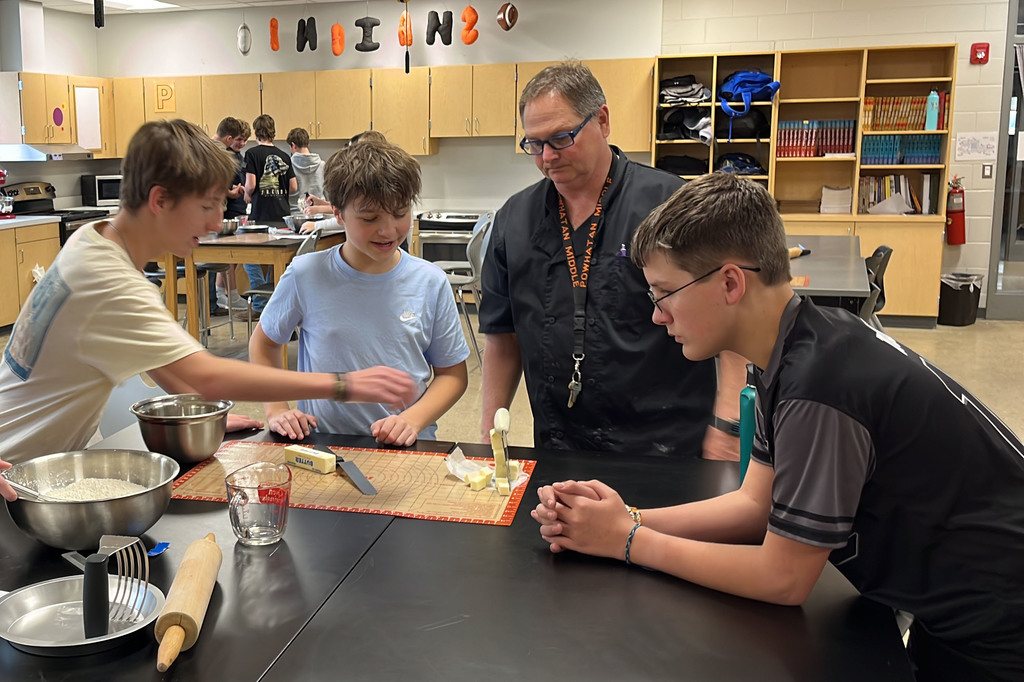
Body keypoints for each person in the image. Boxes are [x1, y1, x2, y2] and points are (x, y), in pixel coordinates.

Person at [532, 172, 1024, 682]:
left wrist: (628, 540)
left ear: (729, 283)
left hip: (998, 622)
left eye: (662, 293)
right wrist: (628, 516)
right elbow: (754, 504)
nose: (657, 316)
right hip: (954, 605)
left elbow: (784, 578)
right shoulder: (792, 347)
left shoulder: (821, 385)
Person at [0, 119, 417, 480]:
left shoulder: (95, 238)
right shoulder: (111, 280)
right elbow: (209, 374)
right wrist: (343, 384)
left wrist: (202, 415)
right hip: (12, 464)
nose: (218, 221)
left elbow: (160, 359)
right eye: (207, 206)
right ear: (160, 200)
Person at [479, 59, 744, 459]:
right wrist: (487, 434)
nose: (547, 157)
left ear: (602, 120)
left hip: (666, 447)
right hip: (558, 444)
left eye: (562, 138)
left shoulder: (671, 205)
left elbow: (732, 322)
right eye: (534, 144)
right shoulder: (514, 221)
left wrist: (728, 427)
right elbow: (503, 338)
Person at [248, 131, 470, 446]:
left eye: (400, 213)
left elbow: (452, 375)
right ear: (337, 213)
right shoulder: (306, 274)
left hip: (409, 444)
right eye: (369, 218)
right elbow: (263, 345)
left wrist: (411, 421)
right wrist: (276, 408)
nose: (388, 230)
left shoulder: (429, 282)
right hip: (325, 442)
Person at [242, 114, 297, 317]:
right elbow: (293, 186)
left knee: (249, 256)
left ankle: (259, 303)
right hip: (282, 217)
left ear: (256, 132)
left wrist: (248, 195)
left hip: (261, 216)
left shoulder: (252, 154)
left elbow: (251, 184)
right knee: (276, 261)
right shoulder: (284, 155)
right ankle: (271, 302)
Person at [211, 116, 249, 313]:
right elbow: (213, 183)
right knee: (226, 255)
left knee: (224, 256)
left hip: (219, 208)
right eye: (238, 139)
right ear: (228, 137)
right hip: (217, 210)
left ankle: (219, 296)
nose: (241, 144)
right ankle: (228, 296)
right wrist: (231, 192)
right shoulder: (217, 152)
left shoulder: (212, 149)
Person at [286, 127, 325, 215]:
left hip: (296, 214)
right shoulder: (322, 165)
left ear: (293, 145)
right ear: (308, 144)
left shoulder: (288, 165)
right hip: (319, 214)